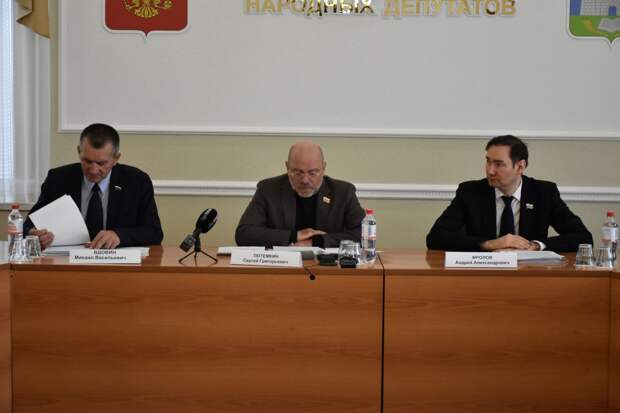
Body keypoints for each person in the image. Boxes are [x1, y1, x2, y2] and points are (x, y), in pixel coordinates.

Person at [426, 135, 592, 252]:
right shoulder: (470, 192)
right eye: (488, 162)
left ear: (520, 166)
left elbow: (583, 238)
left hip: (529, 275)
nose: (490, 170)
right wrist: (490, 244)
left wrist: (536, 246)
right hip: (482, 274)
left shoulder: (544, 193)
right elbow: (435, 237)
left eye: (499, 164)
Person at [24, 123, 163, 249]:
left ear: (116, 158)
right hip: (68, 260)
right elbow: (28, 225)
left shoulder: (136, 181)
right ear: (79, 152)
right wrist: (34, 234)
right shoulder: (58, 179)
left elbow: (154, 232)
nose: (93, 170)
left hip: (117, 262)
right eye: (87, 161)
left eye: (101, 163)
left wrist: (119, 236)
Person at [235, 141, 365, 248]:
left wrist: (317, 241)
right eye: (298, 173)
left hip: (329, 267)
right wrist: (294, 236)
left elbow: (364, 235)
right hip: (282, 266)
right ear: (287, 167)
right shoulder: (268, 189)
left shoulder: (343, 192)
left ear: (324, 167)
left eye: (312, 173)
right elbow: (244, 234)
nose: (305, 180)